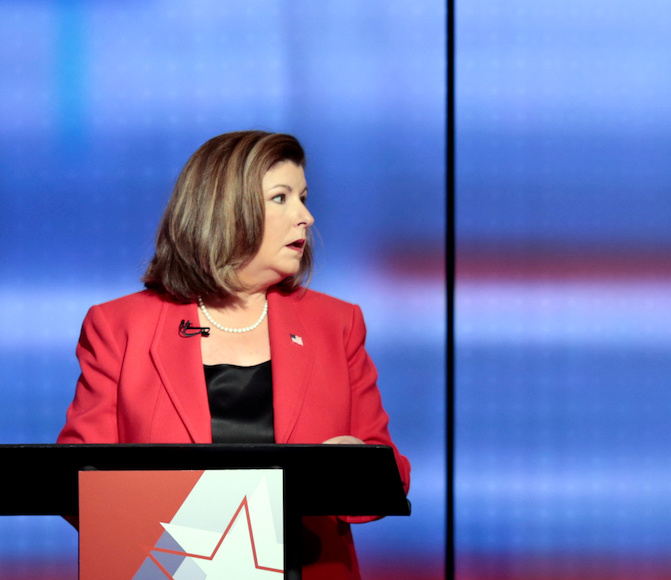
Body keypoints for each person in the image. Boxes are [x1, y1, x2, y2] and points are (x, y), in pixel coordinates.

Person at [58, 130, 410, 580]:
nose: (306, 216)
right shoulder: (119, 327)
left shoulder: (337, 324)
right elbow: (77, 483)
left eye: (303, 197)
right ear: (225, 208)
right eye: (281, 198)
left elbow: (392, 474)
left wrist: (357, 466)